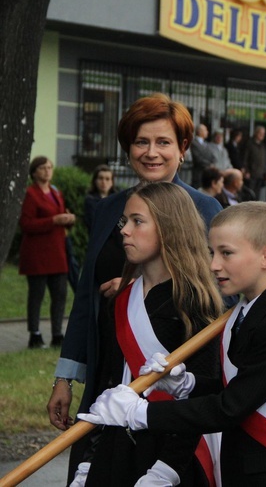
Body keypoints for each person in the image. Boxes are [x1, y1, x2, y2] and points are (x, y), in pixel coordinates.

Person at [79, 202, 266, 487]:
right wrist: (188, 384)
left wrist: (139, 413)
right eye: (213, 253)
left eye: (226, 253)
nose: (214, 264)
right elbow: (242, 386)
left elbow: (230, 408)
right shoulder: (249, 309)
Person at [46, 93, 223, 483]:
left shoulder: (205, 210)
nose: (152, 152)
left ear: (183, 149)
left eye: (164, 142)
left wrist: (140, 288)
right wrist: (65, 377)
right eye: (141, 142)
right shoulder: (111, 209)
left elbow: (215, 303)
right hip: (110, 370)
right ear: (128, 149)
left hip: (170, 392)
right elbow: (87, 298)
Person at [70, 182, 222, 487]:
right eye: (124, 221)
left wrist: (167, 469)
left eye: (138, 221)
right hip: (116, 448)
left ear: (169, 227)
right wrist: (88, 459)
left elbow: (204, 392)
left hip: (172, 452)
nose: (125, 230)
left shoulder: (194, 302)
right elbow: (109, 384)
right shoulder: (121, 299)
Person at [19, 156, 76, 348]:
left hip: (57, 252)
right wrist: (53, 220)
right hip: (37, 254)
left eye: (50, 167)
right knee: (37, 295)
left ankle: (57, 334)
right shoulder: (30, 194)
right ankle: (34, 335)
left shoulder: (55, 192)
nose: (47, 170)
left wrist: (67, 219)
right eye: (43, 168)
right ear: (34, 172)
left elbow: (59, 216)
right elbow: (26, 224)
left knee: (60, 294)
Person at [84, 164, 116, 231]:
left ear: (112, 182)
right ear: (95, 180)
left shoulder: (117, 200)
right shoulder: (90, 200)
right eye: (101, 178)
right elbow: (93, 223)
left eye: (107, 179)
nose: (104, 182)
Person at [244, 125, 266, 201]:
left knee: (257, 195)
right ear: (256, 133)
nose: (262, 135)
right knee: (250, 194)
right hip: (251, 174)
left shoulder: (262, 146)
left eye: (263, 133)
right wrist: (246, 170)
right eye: (260, 133)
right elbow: (245, 158)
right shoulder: (249, 144)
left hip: (260, 174)